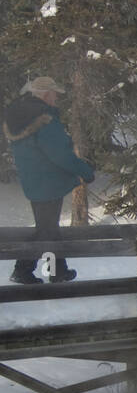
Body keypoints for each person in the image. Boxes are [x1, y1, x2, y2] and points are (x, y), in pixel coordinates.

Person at [5, 77, 94, 285]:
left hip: (34, 180)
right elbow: (60, 154)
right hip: (48, 182)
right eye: (55, 94)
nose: (56, 98)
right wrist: (85, 171)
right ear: (46, 95)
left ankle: (56, 271)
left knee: (49, 229)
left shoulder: (21, 115)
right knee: (46, 231)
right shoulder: (44, 119)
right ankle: (24, 269)